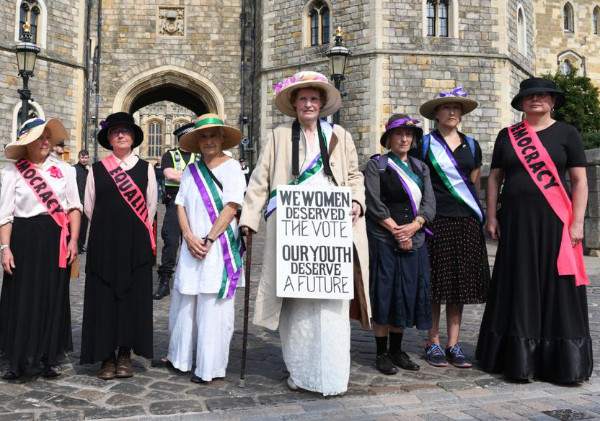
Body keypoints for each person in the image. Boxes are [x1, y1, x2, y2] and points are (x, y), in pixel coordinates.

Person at [239, 71, 370, 396]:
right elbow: (260, 179)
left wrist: (356, 200)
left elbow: (354, 175)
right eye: (303, 99)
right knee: (296, 303)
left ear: (322, 104)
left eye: (314, 99)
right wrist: (249, 219)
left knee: (332, 307)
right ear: (295, 105)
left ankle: (333, 376)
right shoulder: (279, 136)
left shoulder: (340, 135)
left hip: (332, 229)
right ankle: (300, 371)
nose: (308, 104)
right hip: (291, 231)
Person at [477, 78, 593, 383]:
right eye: (529, 96)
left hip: (556, 224)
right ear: (521, 102)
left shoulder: (568, 133)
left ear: (553, 101)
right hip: (515, 224)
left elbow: (580, 182)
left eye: (542, 95)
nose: (536, 100)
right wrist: (491, 215)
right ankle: (518, 361)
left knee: (558, 288)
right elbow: (494, 178)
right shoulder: (508, 135)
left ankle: (560, 363)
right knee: (518, 285)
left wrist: (577, 223)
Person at [165, 114, 246, 383]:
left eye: (213, 135)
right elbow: (181, 205)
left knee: (213, 308)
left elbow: (232, 206)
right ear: (197, 141)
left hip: (218, 246)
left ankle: (208, 367)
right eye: (203, 136)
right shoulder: (191, 170)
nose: (208, 140)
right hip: (192, 245)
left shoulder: (233, 168)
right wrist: (188, 236)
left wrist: (209, 239)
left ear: (222, 138)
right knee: (185, 302)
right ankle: (180, 359)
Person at [0, 118, 81, 379]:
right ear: (27, 142)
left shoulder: (65, 170)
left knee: (51, 296)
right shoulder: (13, 172)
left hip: (55, 238)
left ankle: (48, 357)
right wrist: (5, 247)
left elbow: (73, 208)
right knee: (20, 297)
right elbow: (5, 214)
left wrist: (73, 241)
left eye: (48, 137)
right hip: (23, 239)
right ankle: (16, 358)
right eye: (39, 137)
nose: (45, 141)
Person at [416, 87, 489, 368]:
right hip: (437, 221)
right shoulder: (423, 144)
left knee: (458, 285)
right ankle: (433, 341)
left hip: (466, 221)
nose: (452, 112)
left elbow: (473, 183)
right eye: (446, 108)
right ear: (436, 114)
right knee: (436, 284)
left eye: (456, 109)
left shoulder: (472, 145)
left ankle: (453, 344)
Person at [80, 112, 157, 380]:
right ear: (109, 139)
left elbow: (150, 207)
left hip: (134, 244)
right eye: (115, 132)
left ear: (133, 137)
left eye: (126, 131)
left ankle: (125, 353)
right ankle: (106, 356)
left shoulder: (146, 169)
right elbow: (89, 207)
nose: (121, 135)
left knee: (130, 299)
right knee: (103, 299)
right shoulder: (96, 170)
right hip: (104, 242)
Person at [365, 114, 435, 375]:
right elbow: (373, 203)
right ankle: (381, 352)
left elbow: (429, 203)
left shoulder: (421, 168)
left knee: (405, 295)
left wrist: (416, 225)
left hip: (414, 240)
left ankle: (397, 350)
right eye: (398, 134)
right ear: (389, 139)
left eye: (409, 134)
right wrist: (397, 231)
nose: (404, 138)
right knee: (385, 296)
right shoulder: (376, 166)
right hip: (385, 240)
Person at [153, 122, 199, 300]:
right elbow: (170, 174)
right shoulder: (170, 155)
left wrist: (183, 175)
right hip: (175, 204)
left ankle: (194, 281)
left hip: (197, 205)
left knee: (195, 241)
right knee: (171, 241)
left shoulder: (200, 155)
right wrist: (195, 176)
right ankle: (164, 282)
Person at [74, 150, 90, 253]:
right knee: (77, 225)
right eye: (82, 158)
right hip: (78, 200)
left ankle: (82, 244)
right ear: (79, 158)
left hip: (86, 200)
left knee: (84, 225)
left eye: (85, 158)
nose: (84, 160)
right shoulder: (74, 169)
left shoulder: (88, 170)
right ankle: (77, 245)